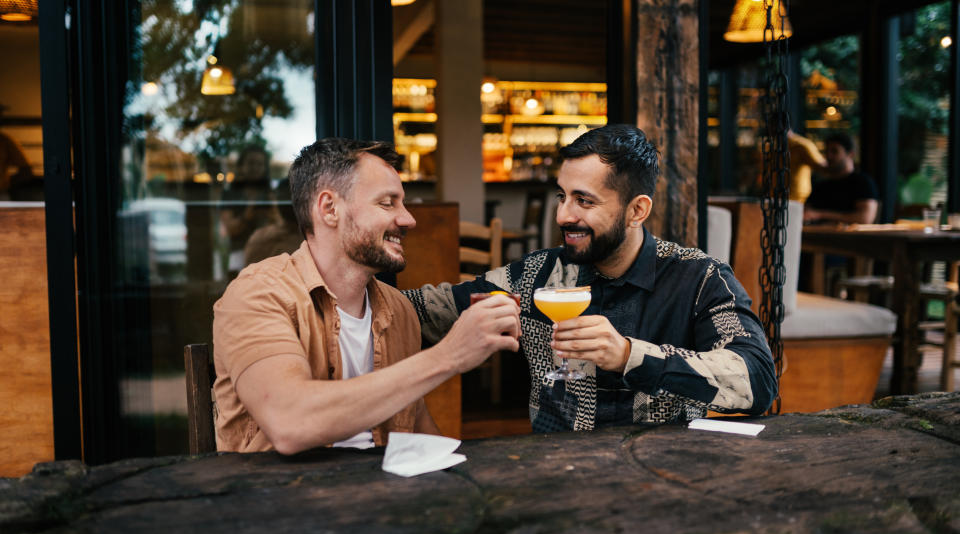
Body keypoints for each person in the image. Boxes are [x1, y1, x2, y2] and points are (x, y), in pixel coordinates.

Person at [404, 125, 777, 433]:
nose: (564, 215)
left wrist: (630, 355)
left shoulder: (698, 278)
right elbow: (421, 313)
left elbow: (757, 380)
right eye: (562, 196)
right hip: (555, 477)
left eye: (584, 200)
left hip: (662, 477)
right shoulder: (535, 276)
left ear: (636, 210)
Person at [212, 138, 521, 454]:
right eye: (387, 203)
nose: (409, 219)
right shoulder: (259, 295)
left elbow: (423, 437)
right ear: (330, 208)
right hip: (279, 497)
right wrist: (450, 355)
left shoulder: (397, 310)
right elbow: (290, 422)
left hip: (377, 496)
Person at [220, 146, 280, 277]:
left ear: (265, 168)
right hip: (239, 254)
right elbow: (230, 229)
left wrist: (273, 211)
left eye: (260, 164)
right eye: (251, 163)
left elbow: (282, 225)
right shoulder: (230, 194)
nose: (255, 168)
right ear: (241, 166)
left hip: (268, 255)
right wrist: (248, 214)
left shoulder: (271, 194)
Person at [803, 133, 879, 225]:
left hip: (849, 239)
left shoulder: (863, 182)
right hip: (817, 237)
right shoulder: (821, 186)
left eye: (834, 151)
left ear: (850, 154)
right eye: (826, 151)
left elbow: (864, 218)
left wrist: (820, 214)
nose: (828, 156)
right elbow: (806, 212)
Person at [787, 128, 829, 203]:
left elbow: (822, 167)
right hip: (774, 198)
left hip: (798, 199)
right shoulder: (771, 146)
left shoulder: (802, 146)